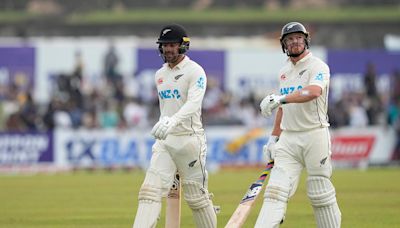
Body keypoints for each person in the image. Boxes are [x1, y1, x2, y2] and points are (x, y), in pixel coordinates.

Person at [256, 22, 341, 227]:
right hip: (289, 138)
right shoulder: (284, 72)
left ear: (306, 40)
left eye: (298, 38)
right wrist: (274, 137)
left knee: (319, 191)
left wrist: (281, 98)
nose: (295, 42)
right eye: (290, 39)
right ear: (284, 44)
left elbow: (313, 92)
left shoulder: (318, 66)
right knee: (275, 191)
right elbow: (284, 108)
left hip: (315, 134)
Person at [132, 24, 217, 228]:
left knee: (197, 199)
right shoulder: (160, 74)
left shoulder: (195, 71)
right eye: (164, 45)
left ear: (183, 46)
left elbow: (194, 103)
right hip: (165, 140)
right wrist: (166, 122)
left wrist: (173, 120)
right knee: (149, 192)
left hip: (190, 139)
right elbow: (166, 107)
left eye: (172, 45)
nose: (167, 49)